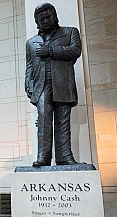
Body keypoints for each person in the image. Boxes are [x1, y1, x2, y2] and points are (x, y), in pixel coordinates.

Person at [25, 3, 82, 166]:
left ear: (55, 16)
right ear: (37, 21)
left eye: (48, 17)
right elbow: (29, 65)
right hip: (41, 85)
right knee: (43, 119)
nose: (45, 21)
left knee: (63, 119)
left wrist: (50, 51)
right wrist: (28, 83)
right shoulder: (31, 42)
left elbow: (75, 51)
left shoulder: (70, 32)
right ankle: (43, 156)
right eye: (41, 19)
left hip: (62, 82)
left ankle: (64, 156)